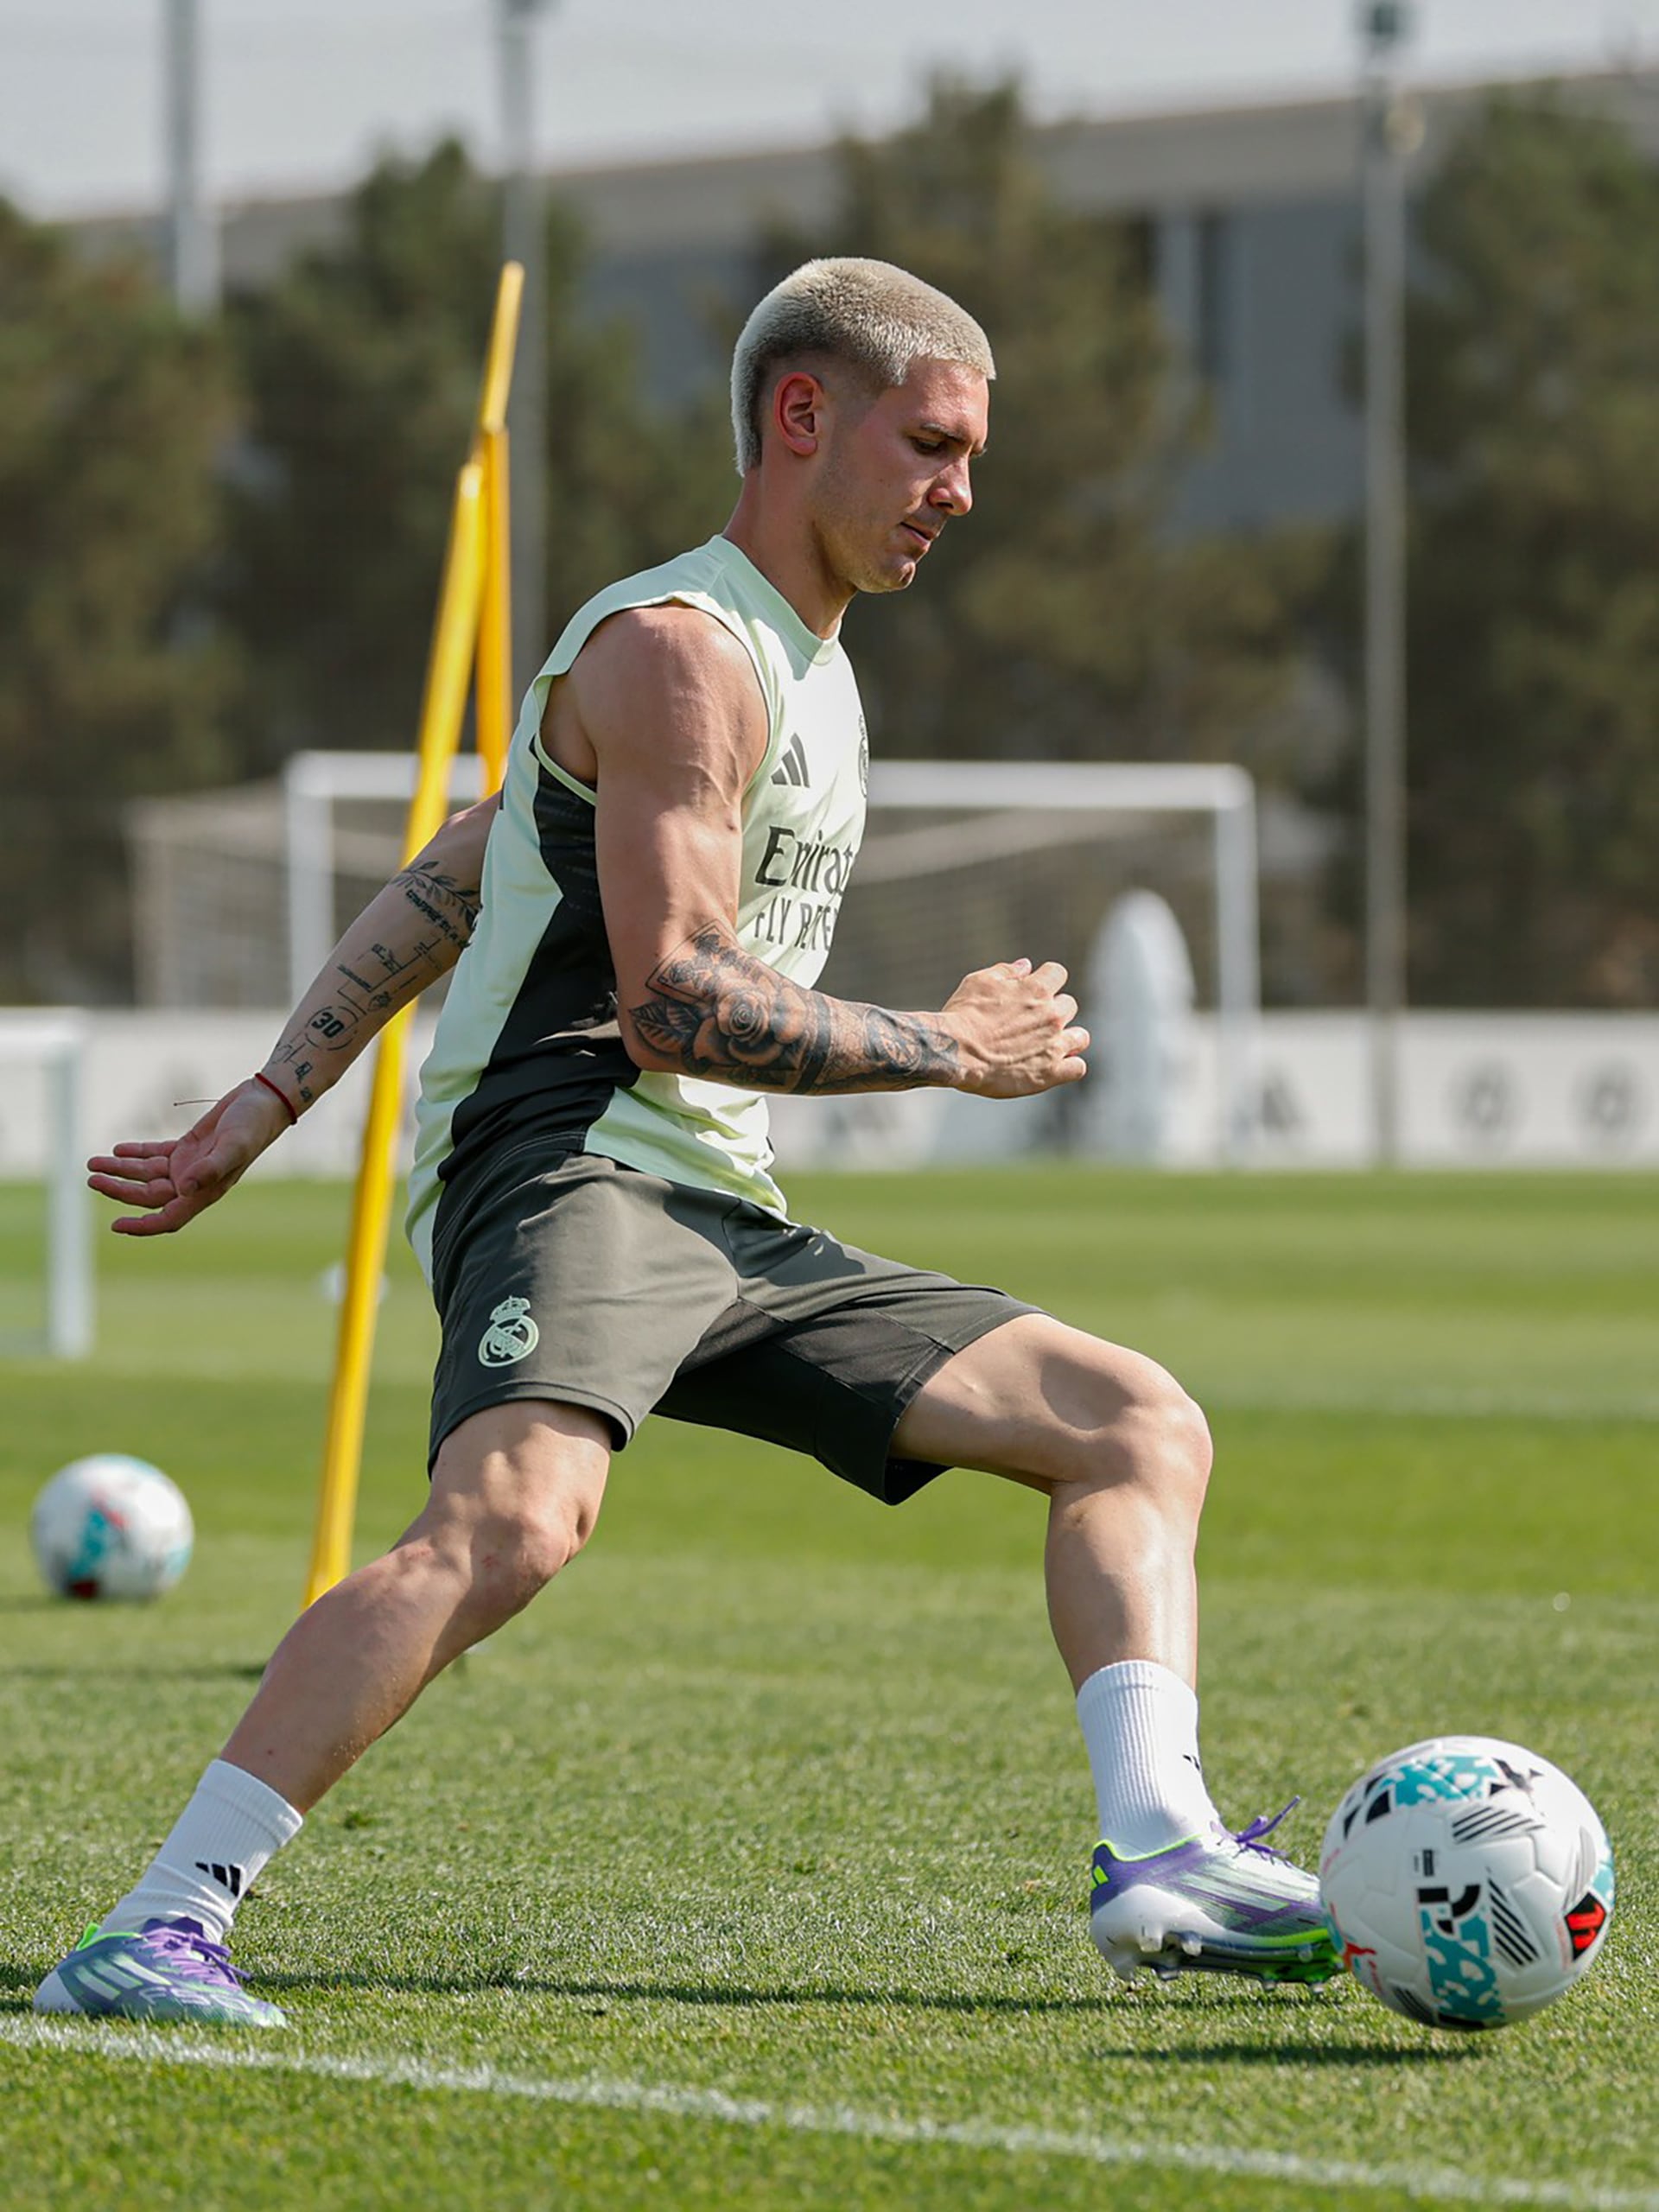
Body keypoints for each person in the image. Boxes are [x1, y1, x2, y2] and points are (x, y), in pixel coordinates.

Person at [37, 258, 1336, 2029]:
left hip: (720, 1197)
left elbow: (463, 863)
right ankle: (159, 1920)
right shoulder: (676, 647)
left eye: (971, 454)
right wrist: (947, 1046)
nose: (963, 490)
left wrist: (264, 1102)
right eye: (933, 444)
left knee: (1133, 1420)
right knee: (513, 1518)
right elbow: (669, 1005)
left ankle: (1162, 1846)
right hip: (569, 1153)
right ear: (803, 415)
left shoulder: (810, 667)